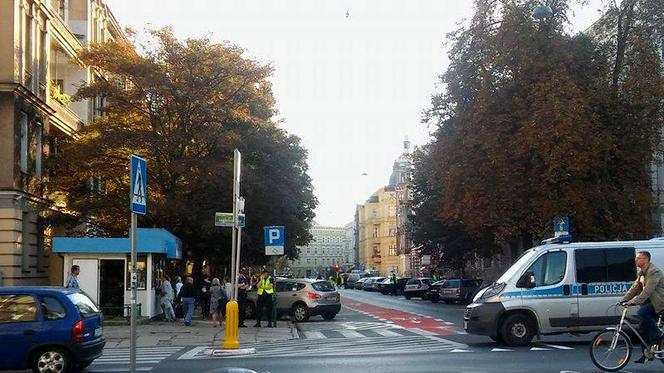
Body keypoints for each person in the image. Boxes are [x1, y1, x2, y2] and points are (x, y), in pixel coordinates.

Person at [622, 250, 664, 363]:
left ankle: (658, 334)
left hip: (659, 302)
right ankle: (647, 354)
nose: (636, 260)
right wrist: (624, 299)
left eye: (638, 258)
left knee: (642, 313)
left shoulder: (654, 272)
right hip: (650, 302)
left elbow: (648, 291)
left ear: (646, 259)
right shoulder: (642, 272)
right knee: (642, 328)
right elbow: (635, 288)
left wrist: (634, 301)